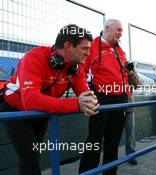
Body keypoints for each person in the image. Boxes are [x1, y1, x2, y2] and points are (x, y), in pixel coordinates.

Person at [0, 24, 99, 175]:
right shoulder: (35, 56)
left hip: (42, 111)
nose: (88, 53)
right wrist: (76, 104)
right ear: (68, 46)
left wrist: (90, 102)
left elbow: (85, 95)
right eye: (84, 48)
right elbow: (30, 100)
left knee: (33, 156)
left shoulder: (76, 67)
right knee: (30, 158)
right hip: (14, 109)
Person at [79, 19, 129, 175]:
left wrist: (128, 94)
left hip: (120, 99)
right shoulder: (92, 46)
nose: (120, 34)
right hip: (101, 99)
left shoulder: (119, 50)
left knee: (113, 141)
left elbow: (124, 75)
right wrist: (87, 93)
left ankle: (110, 172)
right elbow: (81, 71)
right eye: (118, 30)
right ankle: (87, 172)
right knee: (94, 140)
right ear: (107, 28)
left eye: (121, 31)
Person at [125, 67, 141, 165]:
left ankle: (131, 155)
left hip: (129, 106)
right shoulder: (112, 65)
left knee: (130, 132)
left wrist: (130, 73)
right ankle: (110, 158)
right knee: (112, 133)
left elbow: (138, 85)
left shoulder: (130, 67)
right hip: (116, 105)